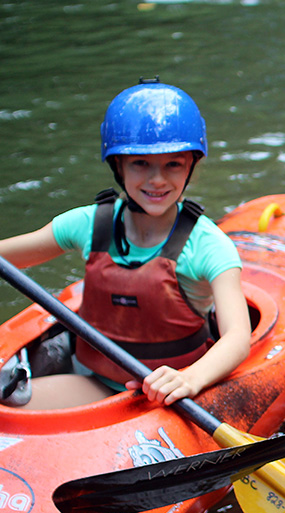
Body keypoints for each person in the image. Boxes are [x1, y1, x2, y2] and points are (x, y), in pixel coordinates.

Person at [0, 78, 250, 409]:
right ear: (118, 165)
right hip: (96, 385)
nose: (157, 179)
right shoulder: (87, 224)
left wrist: (191, 378)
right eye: (140, 163)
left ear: (191, 165)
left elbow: (237, 338)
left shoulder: (209, 246)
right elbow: (12, 255)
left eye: (172, 164)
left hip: (175, 397)